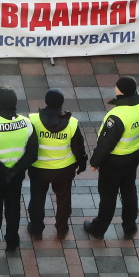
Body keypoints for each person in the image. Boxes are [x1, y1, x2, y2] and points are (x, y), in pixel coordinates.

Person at [82, 76, 139, 240]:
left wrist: (95, 162)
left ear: (121, 91)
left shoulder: (117, 115)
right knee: (129, 190)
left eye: (117, 86)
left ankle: (98, 229)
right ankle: (129, 226)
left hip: (114, 162)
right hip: (134, 154)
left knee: (108, 196)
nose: (115, 88)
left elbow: (106, 144)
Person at [0, 87, 37, 252]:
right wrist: (14, 171)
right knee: (13, 208)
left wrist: (4, 171)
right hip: (16, 177)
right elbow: (32, 154)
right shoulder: (27, 123)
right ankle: (12, 241)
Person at [26, 88, 88, 239]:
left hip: (39, 169)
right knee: (63, 200)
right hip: (64, 169)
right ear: (61, 103)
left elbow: (27, 144)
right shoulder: (72, 123)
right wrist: (82, 163)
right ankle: (62, 228)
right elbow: (78, 147)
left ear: (46, 102)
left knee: (37, 200)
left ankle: (36, 229)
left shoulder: (33, 120)